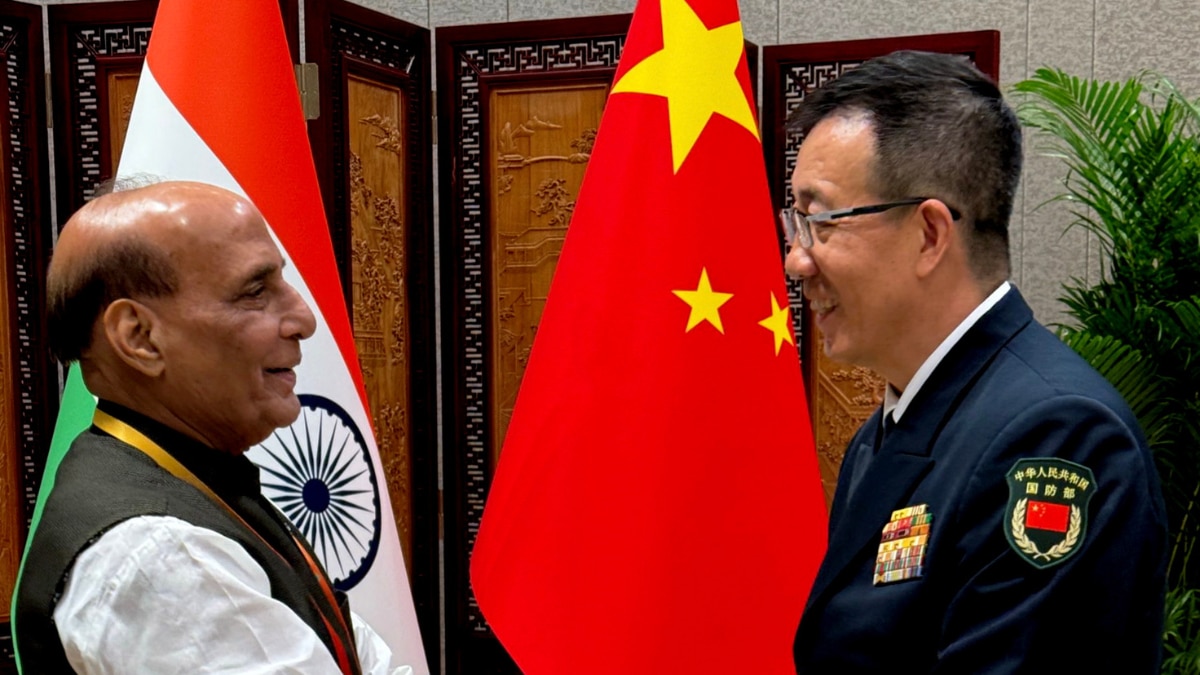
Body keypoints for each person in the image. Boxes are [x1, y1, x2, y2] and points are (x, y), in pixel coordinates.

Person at [783, 51, 1167, 673]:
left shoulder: (1057, 438)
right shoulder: (893, 427)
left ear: (930, 234)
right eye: (796, 223)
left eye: (821, 220)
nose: (797, 260)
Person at [15, 181, 408, 674]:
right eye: (255, 292)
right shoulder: (156, 555)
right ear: (140, 337)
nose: (303, 319)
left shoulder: (196, 480)